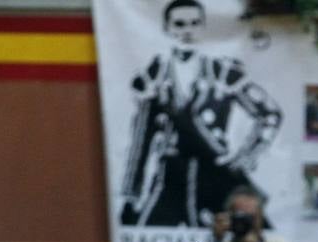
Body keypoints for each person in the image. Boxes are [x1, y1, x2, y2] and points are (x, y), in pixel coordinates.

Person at [118, 0, 282, 228]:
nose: (187, 31)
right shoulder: (155, 77)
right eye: (179, 24)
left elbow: (270, 114)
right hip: (171, 176)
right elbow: (141, 138)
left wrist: (243, 158)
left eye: (194, 23)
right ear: (167, 28)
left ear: (203, 27)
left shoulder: (222, 72)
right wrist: (131, 194)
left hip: (215, 175)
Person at [210, 186, 292, 242]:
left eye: (251, 217)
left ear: (260, 217)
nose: (246, 223)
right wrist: (217, 240)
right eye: (241, 217)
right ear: (230, 218)